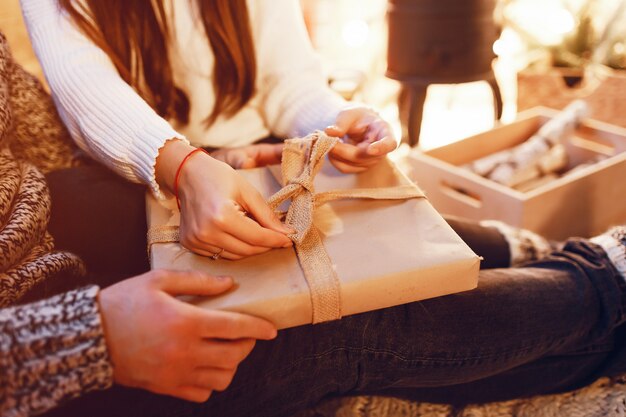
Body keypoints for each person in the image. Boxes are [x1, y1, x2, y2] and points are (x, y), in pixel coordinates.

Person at [6, 0, 625, 416]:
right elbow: (83, 91)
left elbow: (288, 83)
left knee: (404, 235)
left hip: (242, 164)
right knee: (360, 310)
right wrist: (185, 166)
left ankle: (520, 251)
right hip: (160, 175)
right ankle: (606, 285)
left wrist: (332, 122)